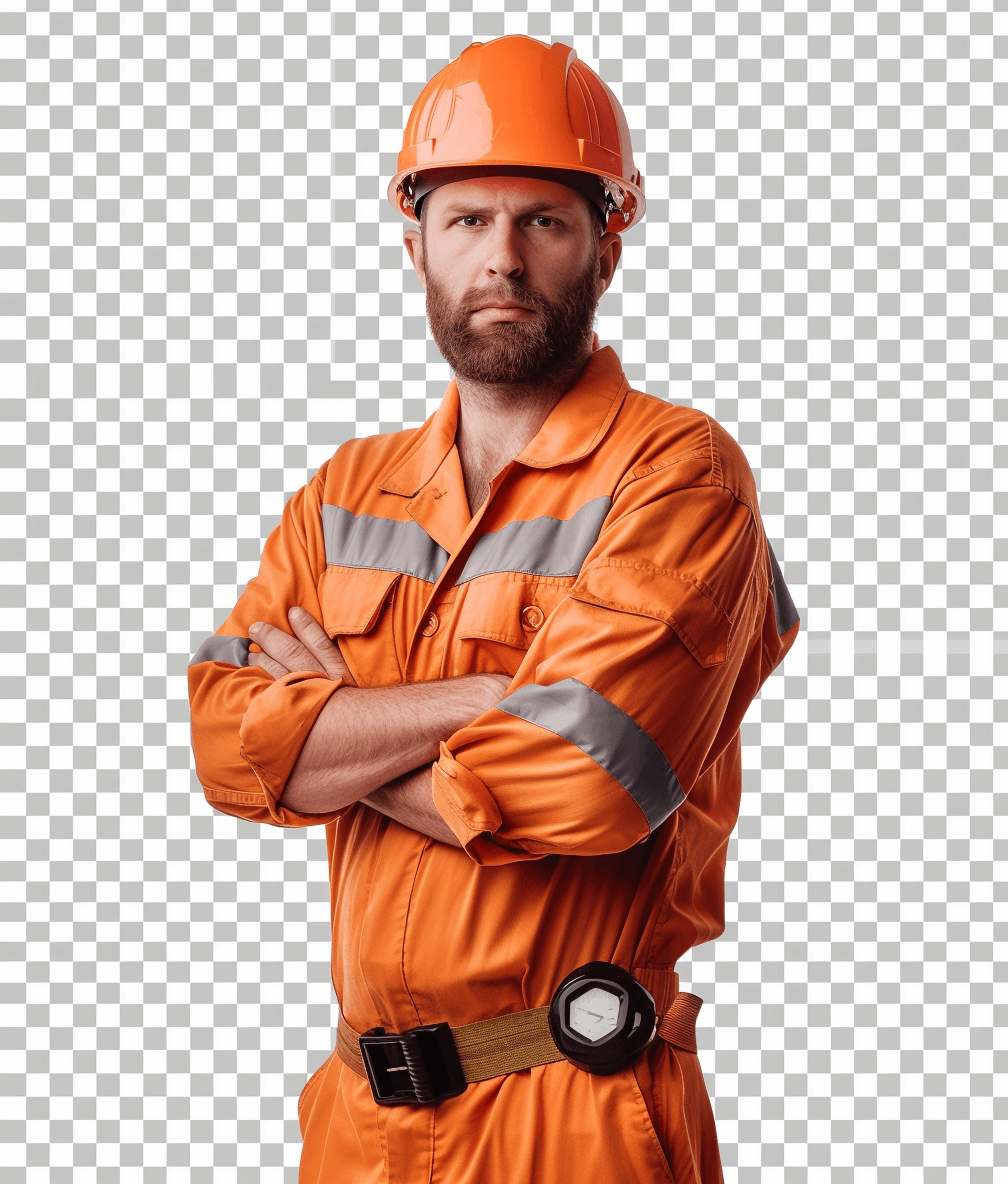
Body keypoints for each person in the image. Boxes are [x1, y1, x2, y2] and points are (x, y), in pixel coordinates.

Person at [188, 34, 799, 1184]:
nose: (503, 259)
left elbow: (589, 784)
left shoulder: (679, 474)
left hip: (573, 1112)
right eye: (468, 220)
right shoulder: (344, 492)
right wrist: (487, 697)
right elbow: (225, 742)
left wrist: (335, 730)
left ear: (606, 247)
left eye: (545, 222)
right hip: (356, 1121)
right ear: (415, 237)